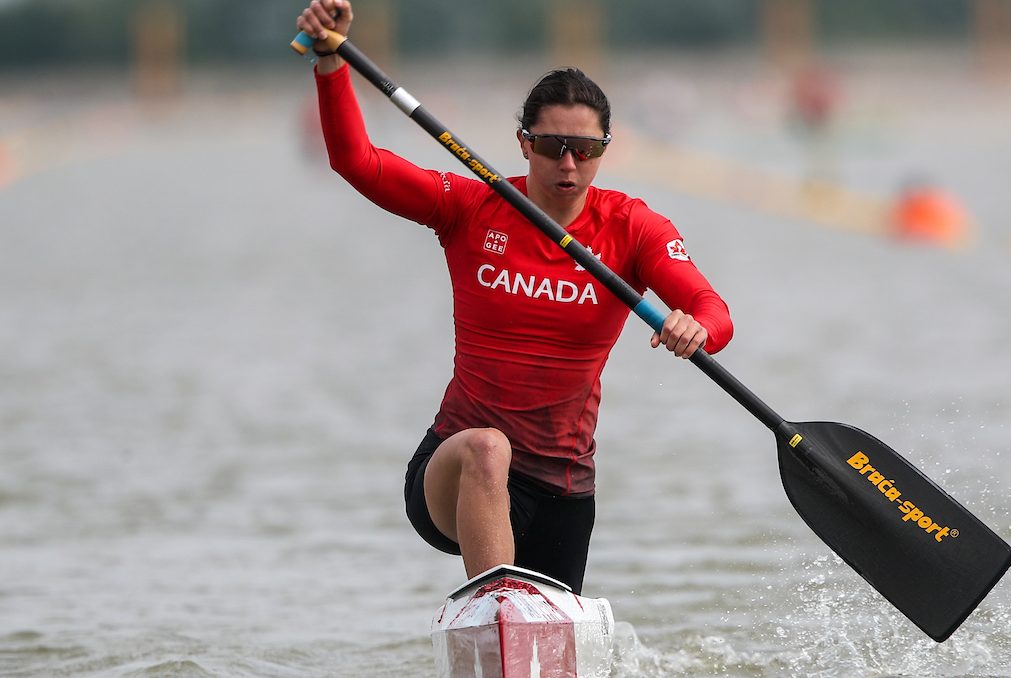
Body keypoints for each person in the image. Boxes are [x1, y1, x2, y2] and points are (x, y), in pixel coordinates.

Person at [296, 0, 734, 595]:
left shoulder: (633, 227)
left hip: (563, 487)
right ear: (524, 143)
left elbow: (715, 313)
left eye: (588, 150)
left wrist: (696, 329)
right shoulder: (470, 206)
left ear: (606, 148)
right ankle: (495, 605)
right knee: (487, 446)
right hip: (455, 472)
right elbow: (356, 160)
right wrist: (329, 60)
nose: (570, 165)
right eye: (554, 146)